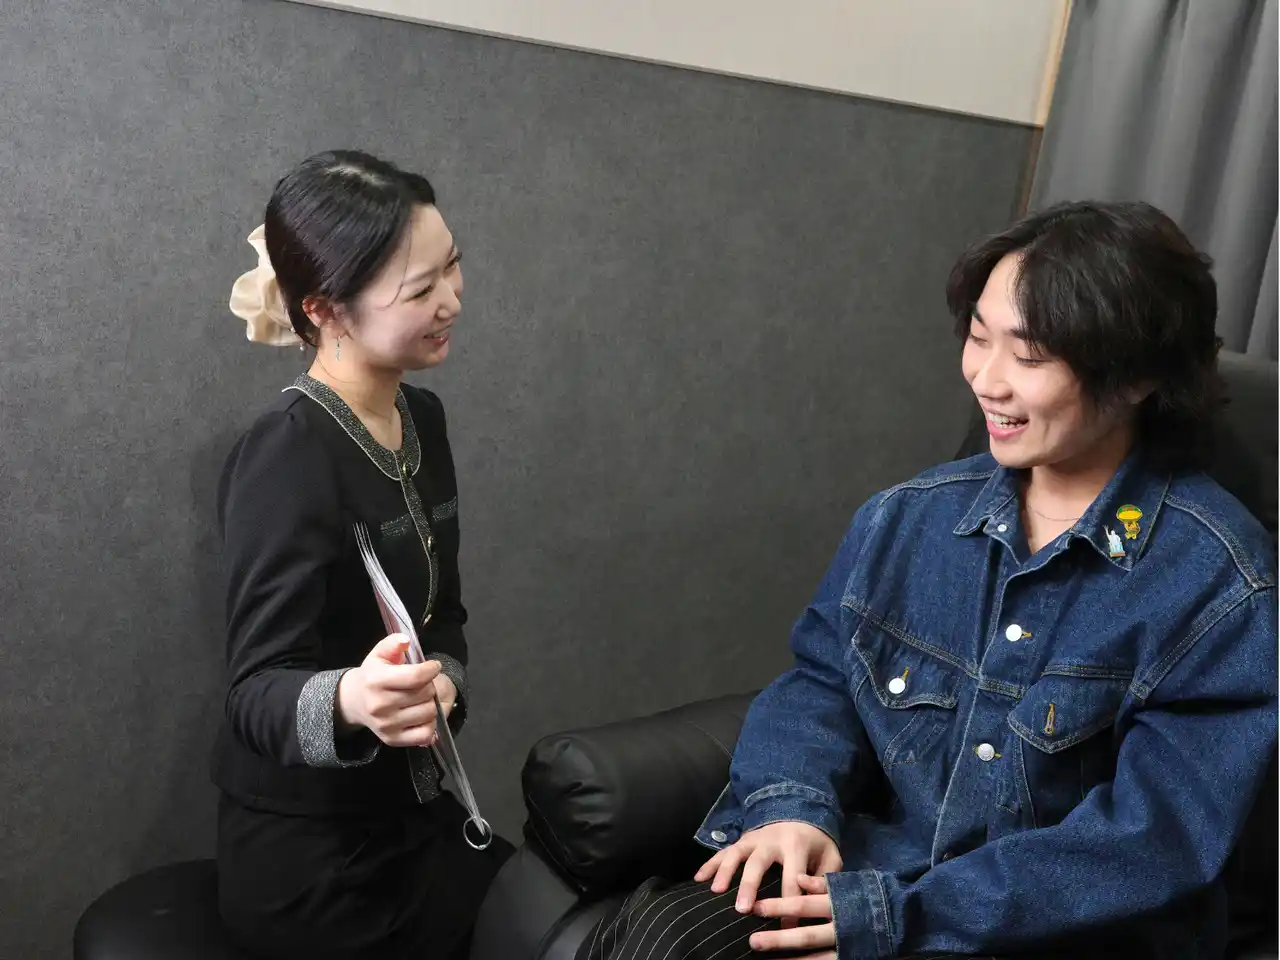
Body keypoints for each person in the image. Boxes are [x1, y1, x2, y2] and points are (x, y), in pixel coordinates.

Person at [579, 201, 1277, 959]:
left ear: (1138, 375)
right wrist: (790, 806)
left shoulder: (1222, 586)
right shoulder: (907, 518)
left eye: (1030, 356)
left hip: (1057, 935)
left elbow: (1152, 842)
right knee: (663, 934)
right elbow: (823, 682)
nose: (987, 380)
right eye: (978, 338)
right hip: (880, 879)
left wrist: (900, 921)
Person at [213, 150, 512, 960]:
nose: (452, 299)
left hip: (417, 815)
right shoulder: (287, 450)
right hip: (313, 860)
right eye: (420, 290)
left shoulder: (425, 419)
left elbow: (444, 617)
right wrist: (352, 699)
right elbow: (253, 694)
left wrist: (442, 684)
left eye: (453, 266)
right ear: (325, 310)